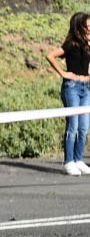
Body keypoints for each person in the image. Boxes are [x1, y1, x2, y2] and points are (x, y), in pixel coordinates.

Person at [46, 12, 90, 176]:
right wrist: (64, 73)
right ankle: (69, 161)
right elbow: (50, 56)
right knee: (73, 126)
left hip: (87, 87)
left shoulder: (88, 45)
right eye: (88, 25)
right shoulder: (70, 44)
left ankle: (79, 160)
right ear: (79, 26)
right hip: (72, 86)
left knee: (84, 126)